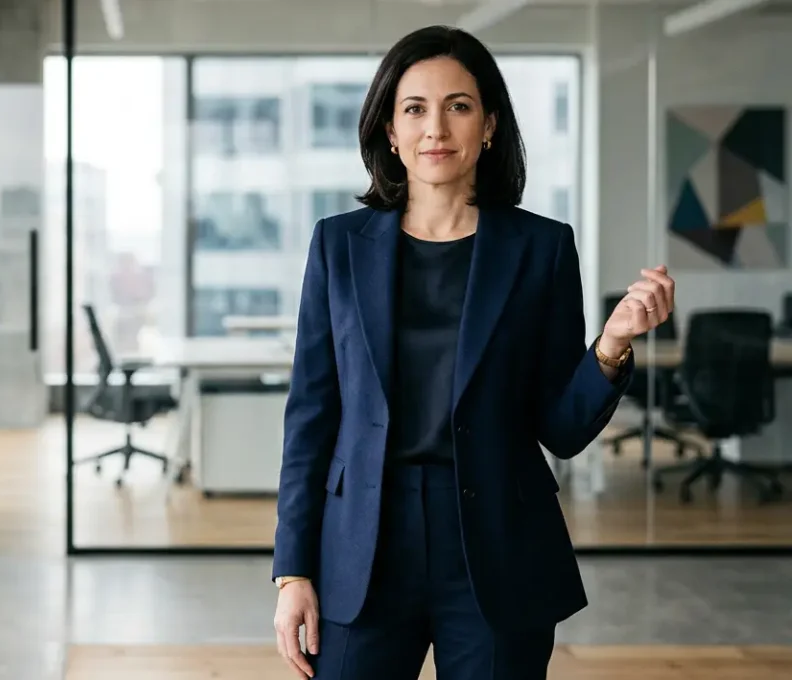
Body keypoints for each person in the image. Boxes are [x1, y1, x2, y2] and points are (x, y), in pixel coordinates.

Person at [270, 25, 675, 680]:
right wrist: (293, 571)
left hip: (497, 545)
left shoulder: (541, 249)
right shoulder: (338, 247)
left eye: (458, 106)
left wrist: (610, 347)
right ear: (389, 131)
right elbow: (310, 420)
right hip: (362, 546)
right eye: (415, 109)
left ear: (488, 126)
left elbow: (561, 428)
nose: (436, 128)